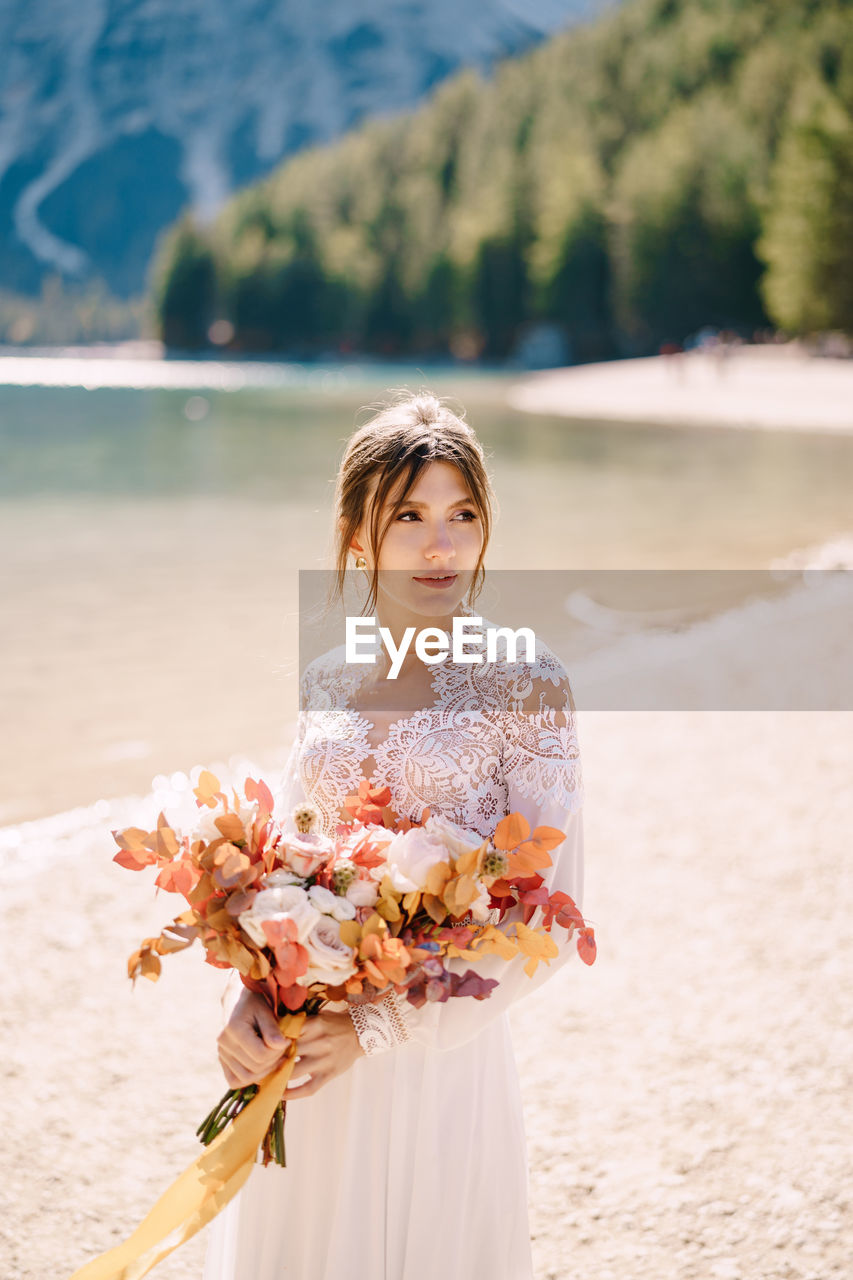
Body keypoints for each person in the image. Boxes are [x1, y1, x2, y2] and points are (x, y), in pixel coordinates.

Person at [204, 391, 585, 1280]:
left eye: (462, 515)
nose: (440, 544)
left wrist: (377, 1028)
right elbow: (282, 875)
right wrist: (249, 1000)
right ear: (356, 537)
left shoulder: (527, 683)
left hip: (434, 1062)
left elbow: (553, 918)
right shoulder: (329, 680)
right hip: (302, 1055)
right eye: (408, 516)